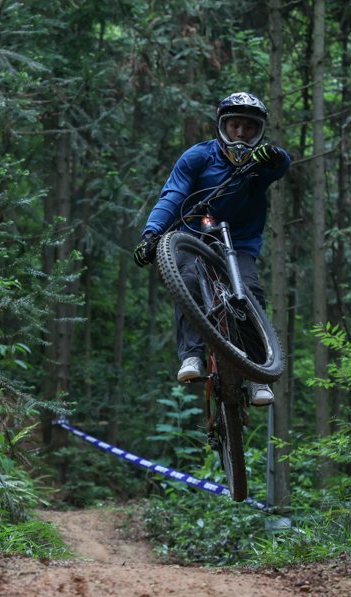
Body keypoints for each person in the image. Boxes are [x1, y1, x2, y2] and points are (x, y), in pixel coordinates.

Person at [132, 92, 290, 406]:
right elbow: (173, 195)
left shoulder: (259, 163)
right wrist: (151, 235)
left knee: (249, 291)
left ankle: (258, 374)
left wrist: (273, 155)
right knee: (186, 276)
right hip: (192, 234)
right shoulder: (197, 157)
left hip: (239, 242)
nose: (240, 133)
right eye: (234, 125)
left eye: (248, 127)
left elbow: (280, 164)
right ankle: (191, 357)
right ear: (222, 126)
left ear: (258, 130)